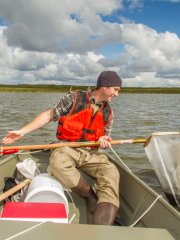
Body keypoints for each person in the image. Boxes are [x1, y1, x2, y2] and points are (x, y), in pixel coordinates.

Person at [2, 71, 122, 225]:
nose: (117, 94)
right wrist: (22, 132)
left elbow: (105, 136)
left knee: (111, 172)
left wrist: (103, 139)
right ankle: (89, 196)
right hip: (67, 147)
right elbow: (49, 115)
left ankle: (103, 227)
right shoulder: (74, 98)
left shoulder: (108, 112)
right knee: (58, 163)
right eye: (116, 89)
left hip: (91, 152)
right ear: (105, 86)